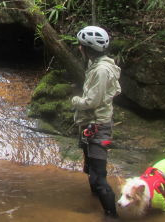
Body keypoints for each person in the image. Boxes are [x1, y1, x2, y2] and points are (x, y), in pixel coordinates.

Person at [71, 25, 121, 220]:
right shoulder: (101, 64)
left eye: (80, 45)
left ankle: (112, 215)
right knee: (89, 168)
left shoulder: (100, 70)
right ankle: (93, 203)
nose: (78, 48)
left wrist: (75, 101)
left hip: (97, 127)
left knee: (98, 177)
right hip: (90, 125)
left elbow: (92, 101)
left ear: (86, 48)